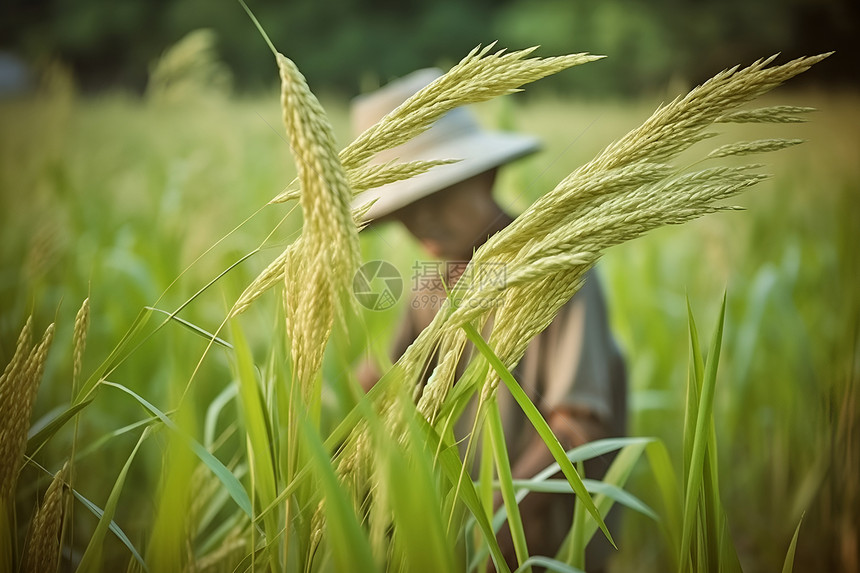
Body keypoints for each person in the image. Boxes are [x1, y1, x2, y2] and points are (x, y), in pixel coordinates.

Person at [352, 69, 627, 573]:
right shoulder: (428, 291)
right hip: (456, 540)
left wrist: (500, 515)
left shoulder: (558, 271)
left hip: (544, 546)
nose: (424, 222)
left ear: (485, 175)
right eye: (406, 212)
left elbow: (580, 424)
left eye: (437, 197)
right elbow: (399, 394)